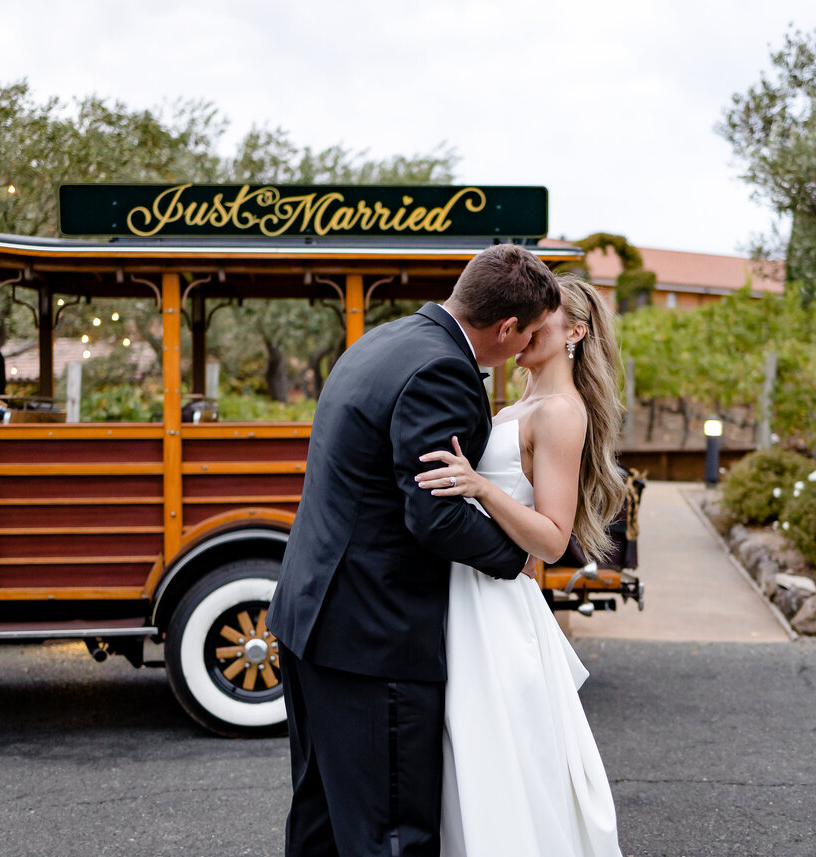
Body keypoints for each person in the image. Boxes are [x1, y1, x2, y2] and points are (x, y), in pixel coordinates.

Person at [265, 243, 561, 857]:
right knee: (392, 833)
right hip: (375, 635)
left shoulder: (388, 338)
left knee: (322, 819)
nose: (526, 347)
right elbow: (433, 515)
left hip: (310, 617)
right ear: (506, 326)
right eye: (527, 334)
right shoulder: (443, 371)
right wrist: (516, 559)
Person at [414, 273, 626, 857]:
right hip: (466, 592)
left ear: (574, 332)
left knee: (498, 755)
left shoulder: (561, 411)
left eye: (543, 319)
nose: (529, 327)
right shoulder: (516, 404)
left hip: (498, 606)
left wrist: (481, 487)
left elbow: (554, 540)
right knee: (470, 756)